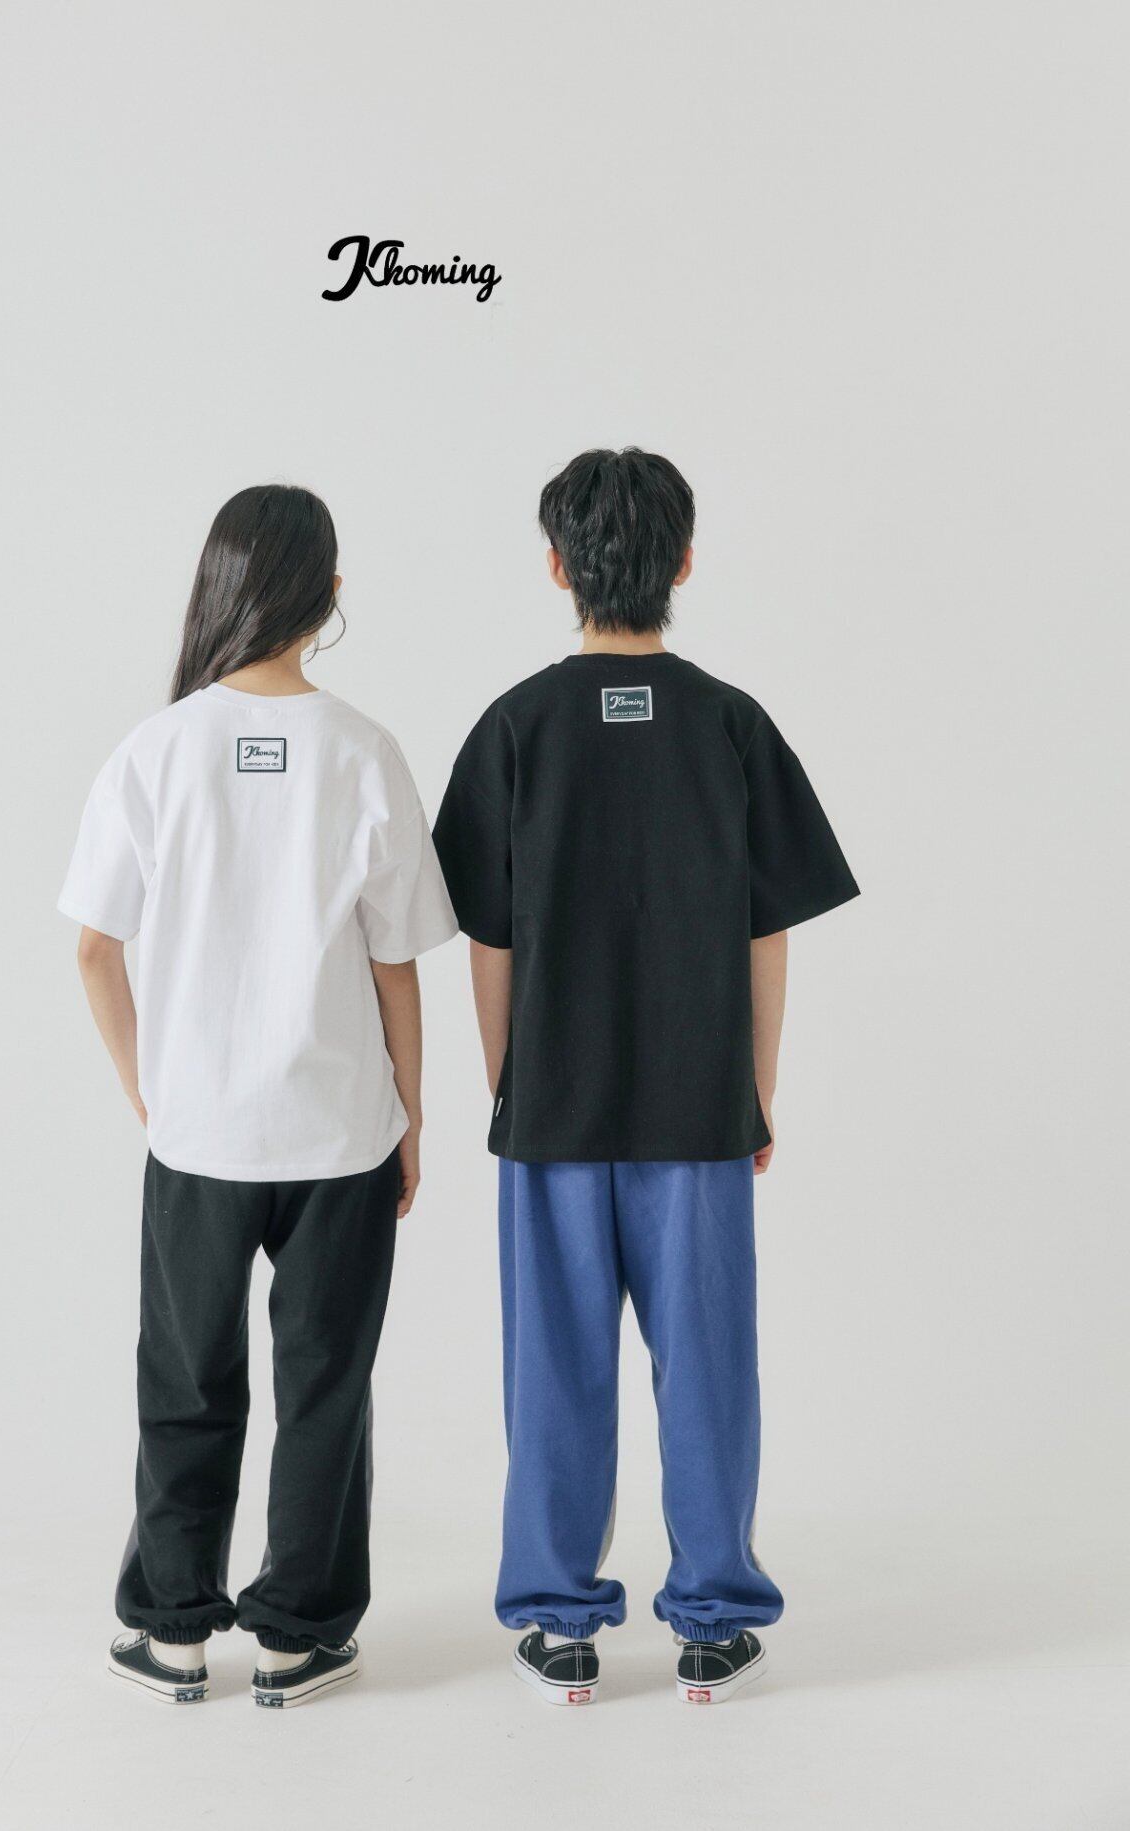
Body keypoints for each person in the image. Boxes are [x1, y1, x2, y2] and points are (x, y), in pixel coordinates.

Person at [432, 448, 859, 1706]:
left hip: (551, 1112)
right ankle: (713, 1619)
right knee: (709, 1363)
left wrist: (510, 1086)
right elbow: (764, 931)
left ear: (554, 567)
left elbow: (488, 939)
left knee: (552, 1369)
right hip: (696, 1108)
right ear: (682, 562)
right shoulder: (730, 724)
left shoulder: (514, 726)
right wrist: (754, 1091)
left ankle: (557, 1619)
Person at [59, 484, 455, 1707]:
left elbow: (93, 948)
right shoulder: (364, 750)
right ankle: (297, 1635)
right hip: (340, 1132)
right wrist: (411, 1115)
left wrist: (149, 1088)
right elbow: (395, 963)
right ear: (329, 593)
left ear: (220, 584)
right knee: (325, 1387)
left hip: (198, 1135)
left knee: (186, 1382)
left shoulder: (154, 751)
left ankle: (173, 1631)